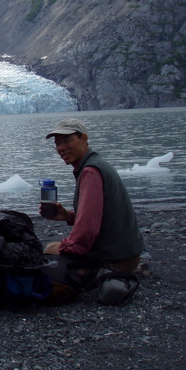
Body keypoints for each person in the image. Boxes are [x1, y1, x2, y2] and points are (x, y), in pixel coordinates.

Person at [41, 118, 144, 290]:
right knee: (52, 249)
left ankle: (99, 274)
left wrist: (62, 250)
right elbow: (101, 215)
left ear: (84, 139)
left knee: (49, 252)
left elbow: (86, 232)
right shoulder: (96, 164)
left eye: (67, 140)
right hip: (128, 253)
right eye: (58, 143)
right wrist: (68, 216)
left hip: (115, 260)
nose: (61, 148)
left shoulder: (90, 172)